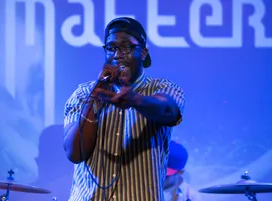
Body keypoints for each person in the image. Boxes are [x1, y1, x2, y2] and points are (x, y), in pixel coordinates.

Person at [63, 17, 185, 201]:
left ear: (143, 53)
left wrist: (134, 100)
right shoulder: (83, 94)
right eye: (111, 48)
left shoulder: (163, 88)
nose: (118, 54)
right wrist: (94, 100)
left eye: (126, 47)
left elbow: (167, 111)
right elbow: (74, 153)